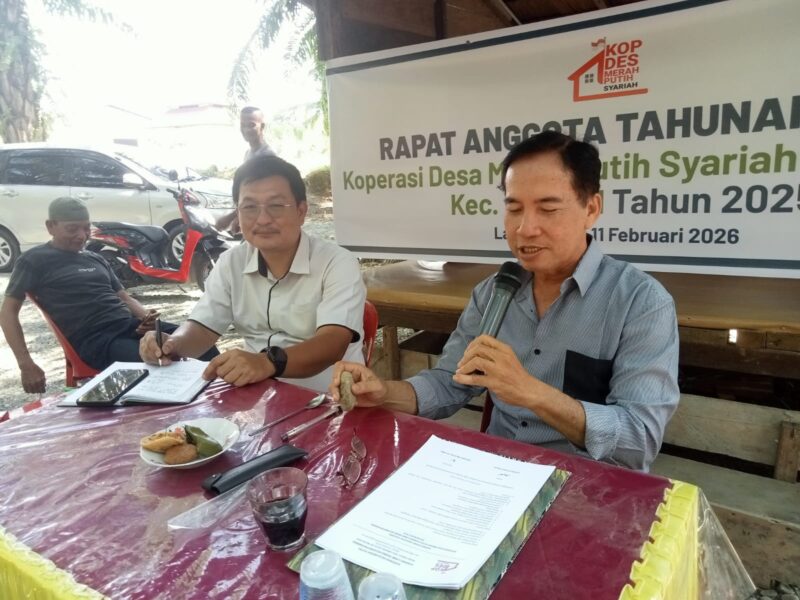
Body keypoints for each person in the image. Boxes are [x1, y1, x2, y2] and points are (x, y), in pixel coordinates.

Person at [329, 131, 680, 471]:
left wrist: (532, 392)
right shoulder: (494, 293)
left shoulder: (641, 303)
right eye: (514, 208)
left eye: (548, 208)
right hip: (495, 473)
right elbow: (449, 383)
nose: (525, 228)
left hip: (586, 483)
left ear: (591, 208)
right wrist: (384, 393)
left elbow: (639, 439)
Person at [140, 155, 366, 393]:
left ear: (301, 211)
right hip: (257, 399)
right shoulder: (231, 263)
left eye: (276, 206)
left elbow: (332, 343)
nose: (263, 219)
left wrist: (267, 362)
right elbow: (202, 328)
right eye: (249, 207)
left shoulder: (337, 263)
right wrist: (172, 344)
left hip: (330, 399)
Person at [0, 197, 216, 393]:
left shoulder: (95, 258)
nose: (81, 236)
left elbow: (124, 298)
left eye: (86, 228)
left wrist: (147, 319)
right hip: (97, 340)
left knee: (201, 343)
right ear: (51, 226)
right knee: (162, 365)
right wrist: (25, 364)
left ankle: (225, 401)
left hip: (131, 327)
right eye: (72, 229)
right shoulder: (34, 260)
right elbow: (8, 312)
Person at [217, 106, 278, 233]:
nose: (246, 129)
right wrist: (238, 216)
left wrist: (229, 218)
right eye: (242, 125)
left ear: (262, 126)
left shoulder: (266, 156)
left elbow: (260, 196)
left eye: (251, 125)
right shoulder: (249, 153)